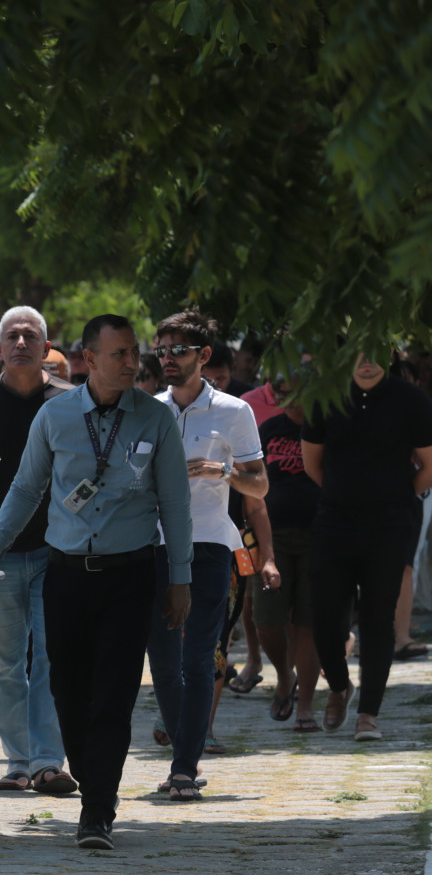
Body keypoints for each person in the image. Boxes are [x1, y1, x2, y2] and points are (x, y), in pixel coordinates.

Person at [0, 314, 194, 851]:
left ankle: (97, 809)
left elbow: (176, 507)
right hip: (65, 576)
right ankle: (93, 780)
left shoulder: (155, 420)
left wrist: (178, 579)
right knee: (68, 690)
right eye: (121, 354)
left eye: (135, 352)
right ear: (89, 359)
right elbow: (24, 490)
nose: (134, 362)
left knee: (113, 694)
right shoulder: (57, 415)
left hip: (130, 576)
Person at [142, 310, 267, 798]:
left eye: (179, 350)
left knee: (198, 660)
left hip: (210, 543)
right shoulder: (149, 410)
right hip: (153, 546)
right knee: (163, 663)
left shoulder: (234, 412)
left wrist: (223, 472)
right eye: (162, 350)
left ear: (204, 356)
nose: (168, 359)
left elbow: (261, 483)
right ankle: (181, 755)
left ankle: (184, 767)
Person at [0, 307, 72, 794]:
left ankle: (50, 760)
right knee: (5, 662)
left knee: (52, 658)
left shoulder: (72, 402)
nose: (22, 342)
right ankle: (17, 762)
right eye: (13, 335)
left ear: (47, 347)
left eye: (32, 335)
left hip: (59, 550)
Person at [301, 351, 432, 741]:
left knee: (378, 618)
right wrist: (346, 495)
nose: (366, 362)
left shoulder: (410, 399)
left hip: (389, 525)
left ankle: (368, 715)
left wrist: (393, 498)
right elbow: (313, 463)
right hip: (335, 522)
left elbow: (428, 464)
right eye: (357, 353)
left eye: (375, 353)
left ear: (389, 356)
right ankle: (339, 687)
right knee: (324, 618)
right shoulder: (325, 396)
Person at [254, 374, 318, 731]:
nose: (289, 398)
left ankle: (306, 706)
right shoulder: (269, 429)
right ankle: (283, 676)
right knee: (267, 622)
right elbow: (254, 481)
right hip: (272, 536)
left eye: (296, 390)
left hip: (319, 536)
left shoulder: (326, 426)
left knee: (308, 625)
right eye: (282, 392)